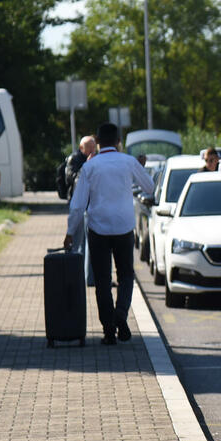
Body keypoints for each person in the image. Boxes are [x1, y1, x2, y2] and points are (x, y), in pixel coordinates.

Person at [64, 123, 154, 345]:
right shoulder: (128, 161)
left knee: (102, 280)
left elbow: (77, 205)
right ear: (118, 142)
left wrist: (70, 232)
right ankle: (121, 314)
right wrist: (138, 169)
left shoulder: (90, 167)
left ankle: (108, 330)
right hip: (124, 228)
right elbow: (150, 188)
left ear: (98, 142)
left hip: (98, 229)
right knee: (126, 276)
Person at [65, 135, 97, 285]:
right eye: (89, 147)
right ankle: (76, 276)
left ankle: (87, 277)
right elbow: (73, 178)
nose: (92, 150)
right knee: (78, 242)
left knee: (88, 244)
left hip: (91, 207)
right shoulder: (74, 160)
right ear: (81, 147)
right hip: (77, 204)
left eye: (93, 146)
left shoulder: (96, 160)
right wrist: (87, 167)